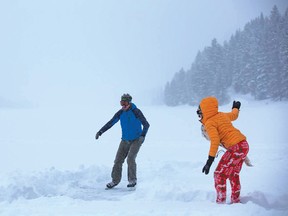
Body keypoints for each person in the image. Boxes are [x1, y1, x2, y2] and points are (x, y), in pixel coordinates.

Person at [197, 96, 249, 204]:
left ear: (205, 111)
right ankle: (236, 201)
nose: (199, 116)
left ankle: (220, 203)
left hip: (235, 147)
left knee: (219, 174)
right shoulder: (221, 115)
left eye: (199, 113)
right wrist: (236, 108)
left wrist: (209, 161)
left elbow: (215, 141)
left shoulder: (210, 123)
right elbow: (234, 116)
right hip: (244, 145)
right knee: (233, 174)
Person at [95, 93, 150, 189]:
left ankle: (132, 180)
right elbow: (110, 123)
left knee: (130, 158)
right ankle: (115, 181)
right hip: (125, 140)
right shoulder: (120, 113)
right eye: (121, 103)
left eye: (125, 103)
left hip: (136, 139)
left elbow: (146, 124)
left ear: (129, 103)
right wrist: (100, 131)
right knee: (118, 160)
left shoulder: (136, 112)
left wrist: (142, 136)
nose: (123, 106)